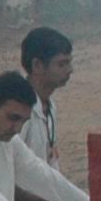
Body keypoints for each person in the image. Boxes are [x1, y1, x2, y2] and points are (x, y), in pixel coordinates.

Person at [15, 27, 74, 172]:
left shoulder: (50, 107)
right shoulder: (18, 109)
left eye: (69, 63)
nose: (70, 70)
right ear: (37, 66)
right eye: (61, 64)